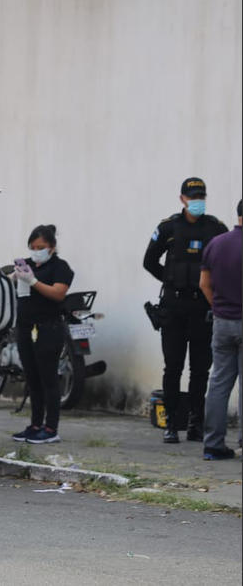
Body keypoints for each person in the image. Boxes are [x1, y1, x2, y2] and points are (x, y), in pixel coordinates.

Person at [143, 178, 228, 443]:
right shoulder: (168, 227)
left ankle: (196, 423)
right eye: (192, 196)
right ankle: (171, 423)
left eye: (201, 195)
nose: (197, 200)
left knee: (201, 369)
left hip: (201, 306)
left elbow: (225, 263)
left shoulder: (215, 228)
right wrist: (171, 280)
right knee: (173, 367)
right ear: (182, 199)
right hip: (174, 306)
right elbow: (149, 261)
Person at [10, 224, 74, 444]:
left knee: (48, 379)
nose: (36, 250)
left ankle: (50, 427)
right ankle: (35, 424)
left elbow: (58, 293)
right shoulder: (27, 265)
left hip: (48, 328)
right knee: (33, 378)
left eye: (41, 247)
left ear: (52, 247)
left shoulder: (60, 267)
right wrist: (16, 278)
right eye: (33, 246)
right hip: (26, 327)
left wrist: (34, 282)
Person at [198, 199, 242, 460]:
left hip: (222, 321)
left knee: (218, 384)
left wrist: (219, 308)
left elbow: (204, 283)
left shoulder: (217, 243)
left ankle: (213, 444)